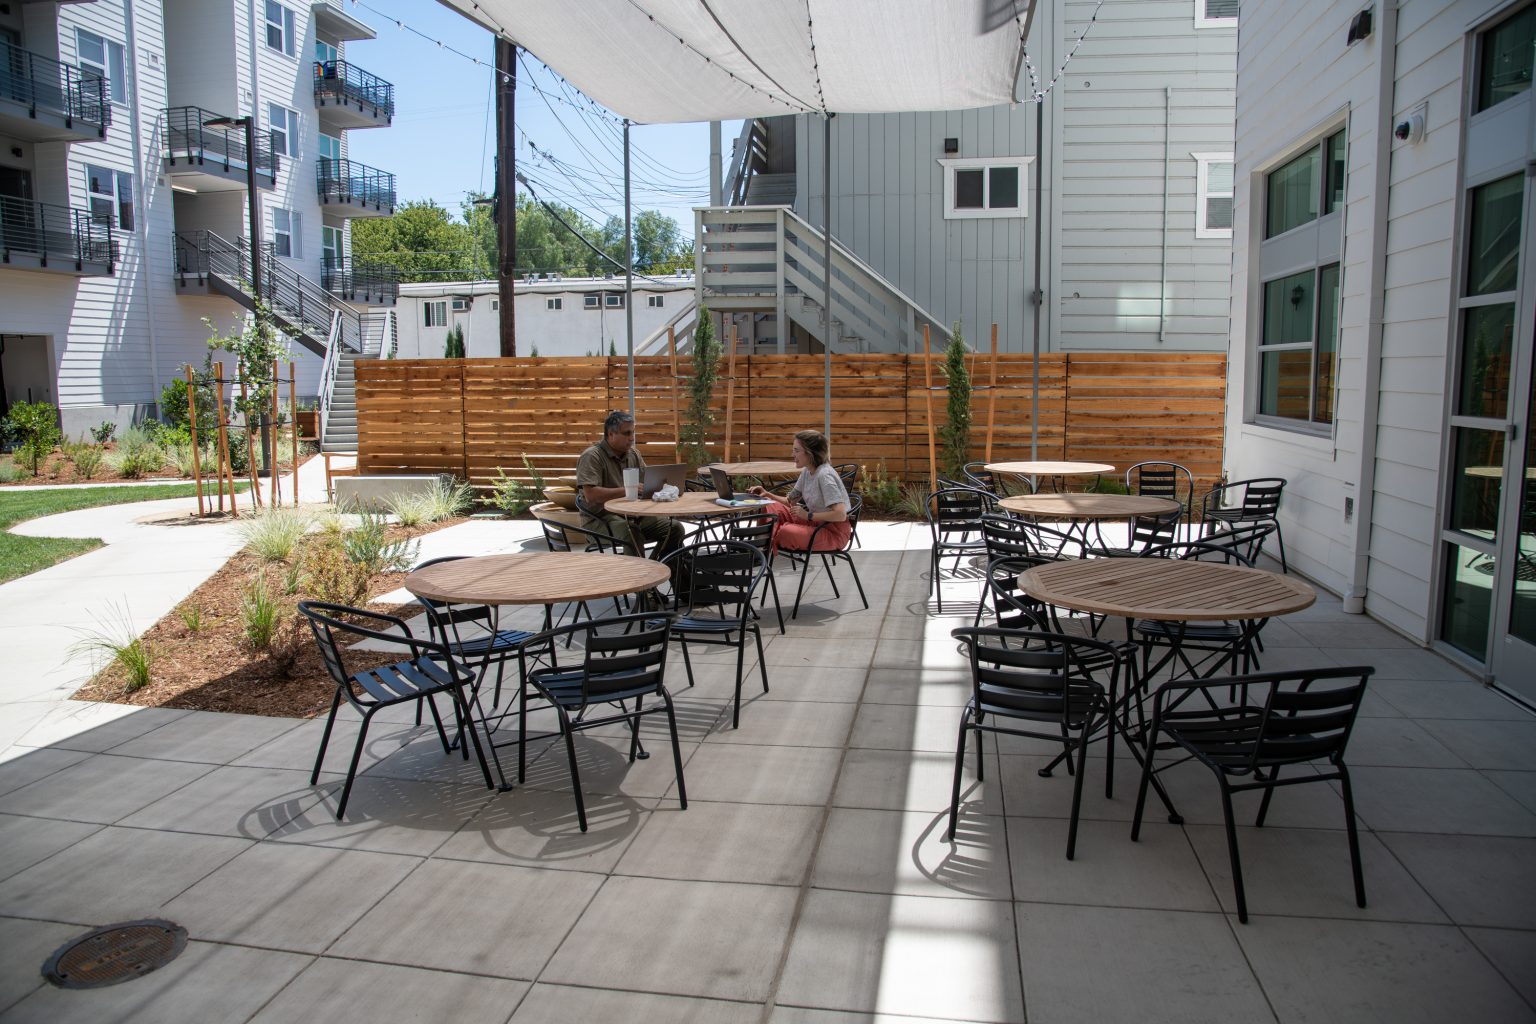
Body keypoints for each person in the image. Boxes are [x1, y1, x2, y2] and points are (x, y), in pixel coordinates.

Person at [575, 410, 686, 561]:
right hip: (600, 520)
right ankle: (641, 576)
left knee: (675, 528)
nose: (632, 438)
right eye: (627, 433)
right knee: (631, 533)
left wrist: (665, 488)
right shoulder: (592, 456)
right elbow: (591, 495)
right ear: (611, 434)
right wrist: (628, 490)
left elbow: (647, 482)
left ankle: (667, 571)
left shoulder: (633, 454)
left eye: (633, 432)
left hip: (632, 516)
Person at [748, 429, 851, 554]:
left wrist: (808, 516)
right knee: (769, 506)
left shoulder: (825, 476)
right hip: (815, 523)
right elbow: (790, 501)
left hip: (833, 532)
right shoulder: (807, 471)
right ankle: (759, 549)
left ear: (810, 453)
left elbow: (840, 515)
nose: (793, 454)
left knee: (786, 532)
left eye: (796, 451)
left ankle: (761, 550)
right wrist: (767, 494)